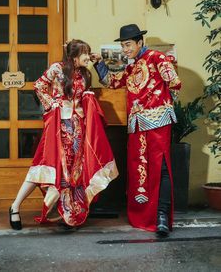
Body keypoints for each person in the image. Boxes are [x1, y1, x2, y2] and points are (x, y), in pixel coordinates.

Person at [9, 39, 118, 230]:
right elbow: (39, 86)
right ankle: (15, 206)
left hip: (78, 128)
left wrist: (96, 65)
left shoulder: (85, 73)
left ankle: (68, 212)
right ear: (73, 56)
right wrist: (51, 103)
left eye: (88, 52)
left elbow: (95, 89)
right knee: (44, 165)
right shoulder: (57, 68)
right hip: (58, 127)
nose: (87, 56)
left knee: (73, 172)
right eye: (85, 53)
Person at [91, 24, 181, 237]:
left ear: (140, 42)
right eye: (123, 45)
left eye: (128, 44)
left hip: (158, 121)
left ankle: (161, 216)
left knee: (161, 168)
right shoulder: (131, 68)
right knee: (139, 169)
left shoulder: (157, 58)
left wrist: (165, 82)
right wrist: (98, 63)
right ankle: (144, 215)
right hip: (137, 125)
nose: (125, 49)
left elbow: (175, 82)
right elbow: (112, 82)